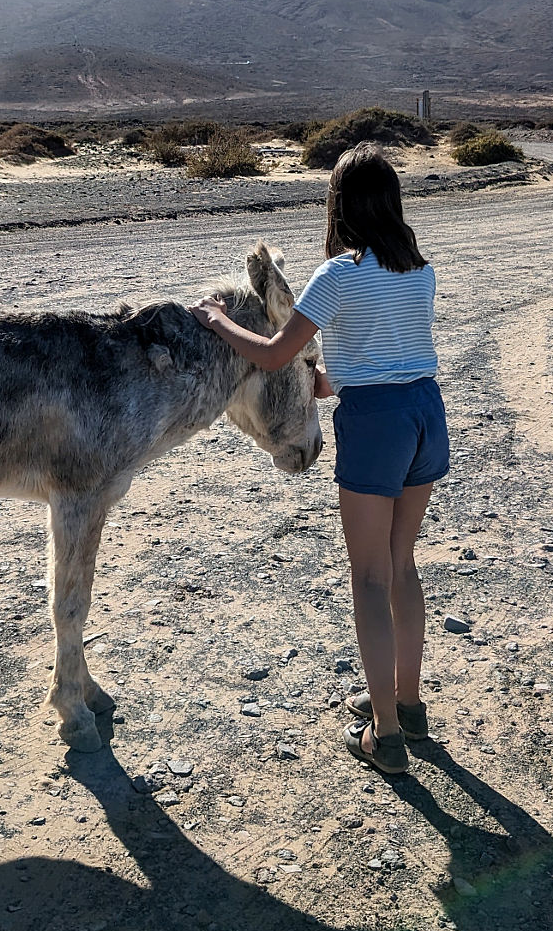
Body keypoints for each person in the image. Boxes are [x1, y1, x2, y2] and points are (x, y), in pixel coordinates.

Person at [189, 145, 449, 776]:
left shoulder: (339, 274)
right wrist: (337, 378)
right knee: (402, 564)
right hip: (425, 414)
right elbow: (391, 355)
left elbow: (277, 354)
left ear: (340, 203)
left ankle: (384, 736)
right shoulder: (418, 269)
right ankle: (407, 705)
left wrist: (218, 320)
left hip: (377, 427)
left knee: (369, 579)